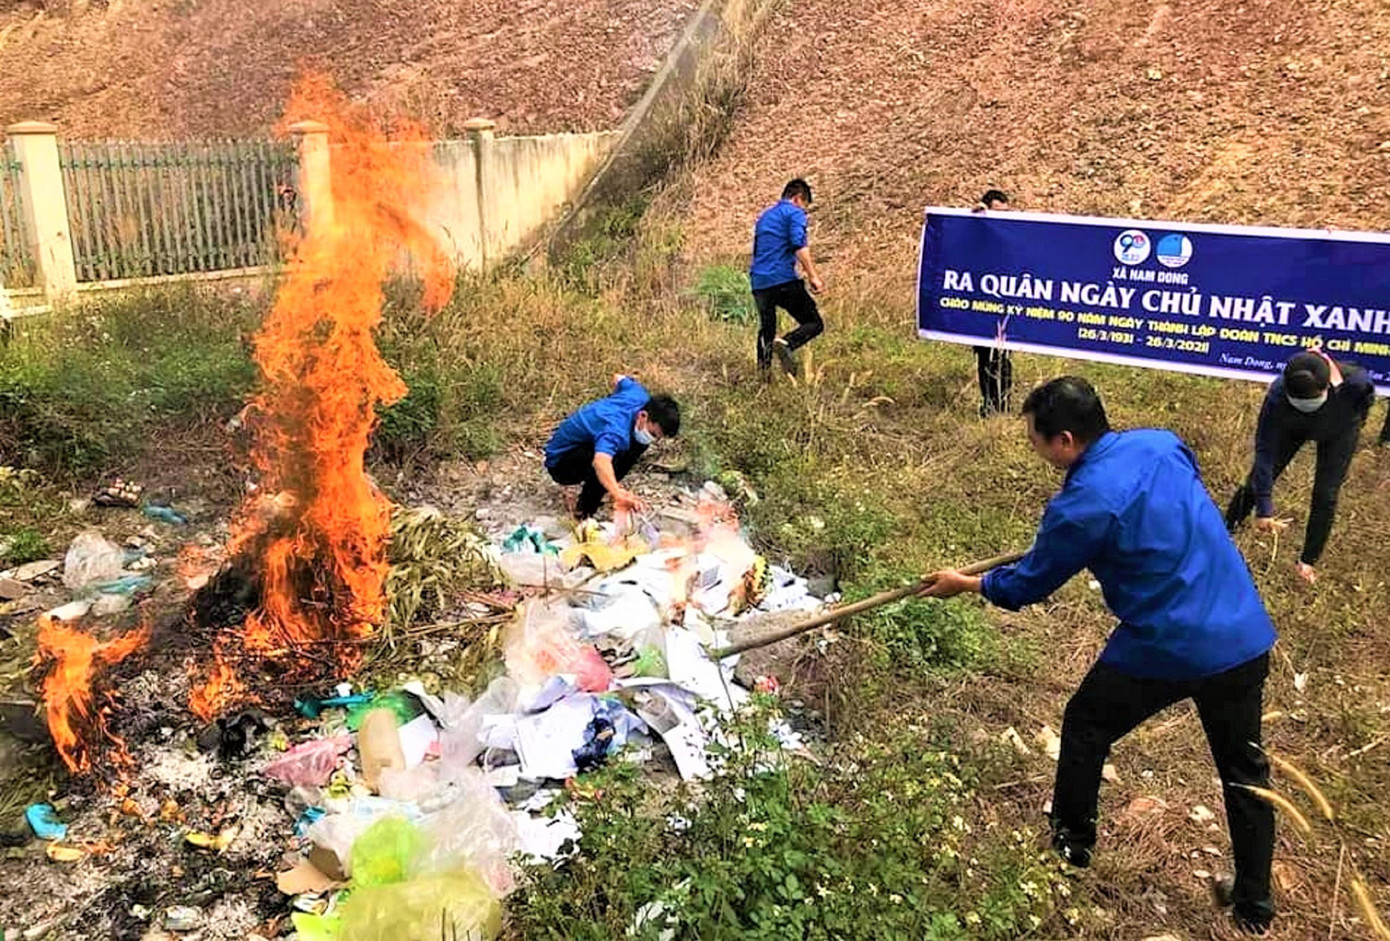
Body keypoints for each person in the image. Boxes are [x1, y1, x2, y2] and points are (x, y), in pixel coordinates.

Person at [922, 376, 1278, 936]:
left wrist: (965, 583)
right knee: (1245, 772)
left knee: (1087, 722)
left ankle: (1070, 847)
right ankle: (1255, 907)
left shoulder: (1080, 506)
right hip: (1242, 631)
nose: (1035, 450)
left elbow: (1027, 586)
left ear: (1064, 440)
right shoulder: (1160, 443)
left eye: (1036, 440)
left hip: (1169, 641)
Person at [1225, 349, 1375, 584]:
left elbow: (1364, 404)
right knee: (1257, 480)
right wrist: (1264, 509)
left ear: (1328, 386)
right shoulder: (1277, 393)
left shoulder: (1355, 383)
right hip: (1292, 428)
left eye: (1313, 400)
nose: (1307, 405)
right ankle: (1226, 529)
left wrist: (1349, 422)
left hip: (1339, 432)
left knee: (1326, 494)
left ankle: (1306, 562)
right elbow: (1265, 450)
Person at [544, 374, 680, 519]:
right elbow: (600, 462)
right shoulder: (616, 430)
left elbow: (618, 378)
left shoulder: (637, 394)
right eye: (653, 433)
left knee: (638, 444)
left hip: (585, 442)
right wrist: (618, 494)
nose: (652, 438)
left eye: (657, 437)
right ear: (643, 416)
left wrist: (611, 403)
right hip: (561, 462)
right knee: (612, 461)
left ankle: (606, 487)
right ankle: (584, 512)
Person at [749, 178, 825, 378]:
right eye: (805, 206)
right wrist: (813, 276)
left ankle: (764, 378)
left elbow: (758, 250)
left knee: (767, 329)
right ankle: (787, 343)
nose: (804, 211)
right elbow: (799, 244)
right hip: (782, 279)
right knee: (814, 323)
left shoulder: (765, 216)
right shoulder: (794, 213)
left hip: (759, 282)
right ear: (799, 198)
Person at [972, 189, 1014, 416]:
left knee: (1004, 358)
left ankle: (1005, 405)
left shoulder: (1011, 233)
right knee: (985, 357)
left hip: (1005, 305)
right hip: (981, 306)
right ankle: (989, 404)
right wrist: (976, 219)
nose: (1002, 217)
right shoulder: (978, 231)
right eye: (997, 212)